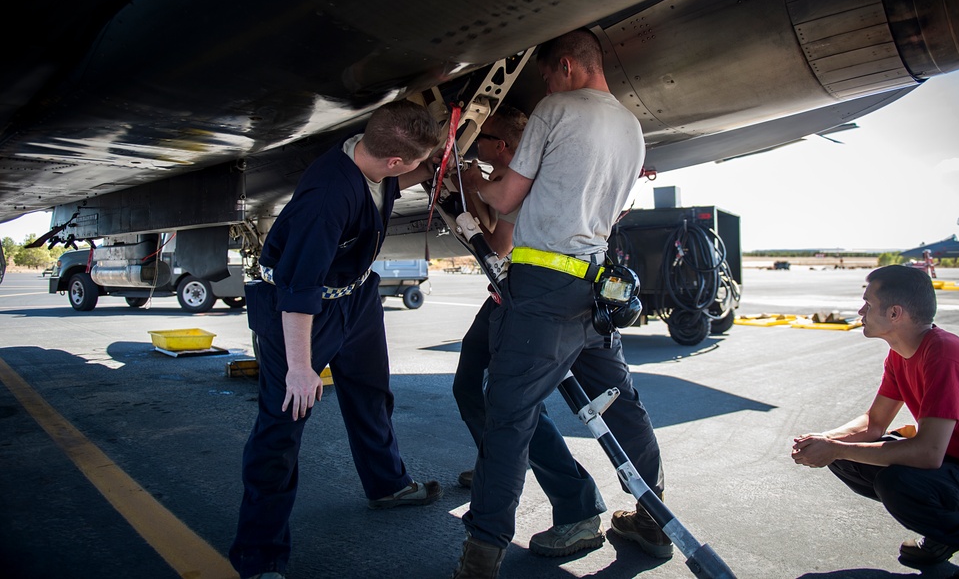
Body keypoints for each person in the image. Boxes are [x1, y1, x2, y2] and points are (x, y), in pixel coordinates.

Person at [451, 29, 669, 578]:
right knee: (621, 405)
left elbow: (505, 199)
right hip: (595, 289)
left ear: (566, 67)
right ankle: (654, 520)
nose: (545, 85)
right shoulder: (632, 127)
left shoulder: (557, 107)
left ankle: (482, 554)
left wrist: (463, 180)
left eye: (547, 75)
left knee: (508, 415)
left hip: (543, 288)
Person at [230, 101, 445, 579]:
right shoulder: (328, 197)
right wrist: (301, 367)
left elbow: (401, 176)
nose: (417, 171)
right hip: (301, 308)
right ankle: (258, 556)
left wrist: (439, 148)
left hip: (356, 297)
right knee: (281, 426)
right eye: (412, 163)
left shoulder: (370, 159)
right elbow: (297, 290)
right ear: (393, 160)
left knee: (371, 392)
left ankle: (386, 485)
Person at [451, 104, 608, 558]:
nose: (476, 150)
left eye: (481, 142)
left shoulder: (526, 177)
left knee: (506, 401)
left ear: (499, 145)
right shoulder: (507, 176)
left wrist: (471, 187)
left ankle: (575, 506)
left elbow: (499, 241)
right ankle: (496, 467)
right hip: (514, 291)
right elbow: (493, 235)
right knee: (473, 386)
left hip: (532, 297)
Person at [791, 265, 959, 578]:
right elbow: (874, 423)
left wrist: (834, 448)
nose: (861, 311)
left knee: (899, 482)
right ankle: (946, 534)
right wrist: (823, 441)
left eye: (869, 304)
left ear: (895, 314)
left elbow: (927, 454)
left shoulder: (944, 357)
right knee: (847, 457)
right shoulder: (901, 355)